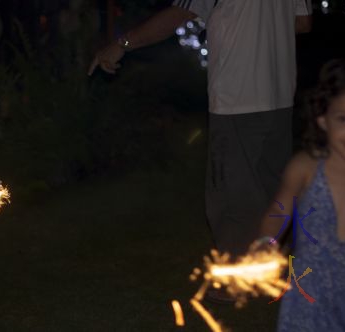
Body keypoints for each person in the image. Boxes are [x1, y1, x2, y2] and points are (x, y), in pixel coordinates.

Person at [88, 0, 312, 301]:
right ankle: (270, 271)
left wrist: (121, 43)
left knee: (231, 193)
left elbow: (177, 15)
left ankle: (235, 280)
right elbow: (302, 23)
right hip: (279, 92)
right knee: (272, 189)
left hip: (238, 96)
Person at [255, 59, 345, 332]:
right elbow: (280, 209)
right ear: (323, 120)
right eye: (343, 119)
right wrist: (266, 241)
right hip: (310, 287)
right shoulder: (306, 166)